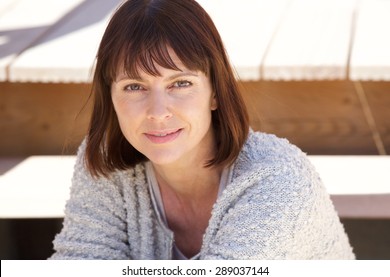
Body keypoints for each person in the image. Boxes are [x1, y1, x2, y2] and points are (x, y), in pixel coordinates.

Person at [50, 0, 355, 260]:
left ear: (215, 92)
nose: (157, 112)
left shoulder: (278, 180)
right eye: (134, 86)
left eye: (180, 83)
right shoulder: (105, 162)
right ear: (111, 97)